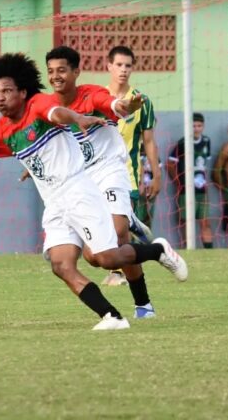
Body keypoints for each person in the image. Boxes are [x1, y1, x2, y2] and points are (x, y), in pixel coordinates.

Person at [0, 53, 187, 330]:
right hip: (55, 203)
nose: (0, 97)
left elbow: (57, 112)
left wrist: (78, 118)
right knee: (61, 264)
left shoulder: (37, 105)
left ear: (22, 92)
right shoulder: (2, 130)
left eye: (7, 90)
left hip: (79, 191)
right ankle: (112, 316)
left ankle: (157, 250)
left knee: (105, 259)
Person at [43, 45, 158, 318]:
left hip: (114, 170)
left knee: (118, 235)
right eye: (51, 71)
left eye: (61, 70)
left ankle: (143, 304)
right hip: (81, 181)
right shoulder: (49, 107)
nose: (56, 76)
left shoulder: (95, 94)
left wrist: (125, 105)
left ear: (76, 72)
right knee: (96, 257)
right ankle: (144, 239)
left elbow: (114, 105)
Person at [103, 45, 161, 286]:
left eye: (128, 65)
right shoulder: (98, 97)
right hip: (98, 174)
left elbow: (148, 141)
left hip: (128, 176)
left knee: (119, 230)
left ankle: (119, 272)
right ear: (109, 66)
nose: (123, 70)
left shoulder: (142, 101)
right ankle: (135, 233)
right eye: (119, 65)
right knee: (108, 228)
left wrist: (156, 175)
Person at [167, 113, 213, 248]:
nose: (196, 128)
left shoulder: (206, 141)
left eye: (199, 126)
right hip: (185, 190)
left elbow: (204, 165)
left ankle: (209, 251)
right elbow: (170, 164)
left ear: (203, 126)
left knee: (205, 221)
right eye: (193, 126)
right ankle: (188, 249)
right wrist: (178, 182)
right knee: (186, 222)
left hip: (201, 189)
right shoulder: (183, 143)